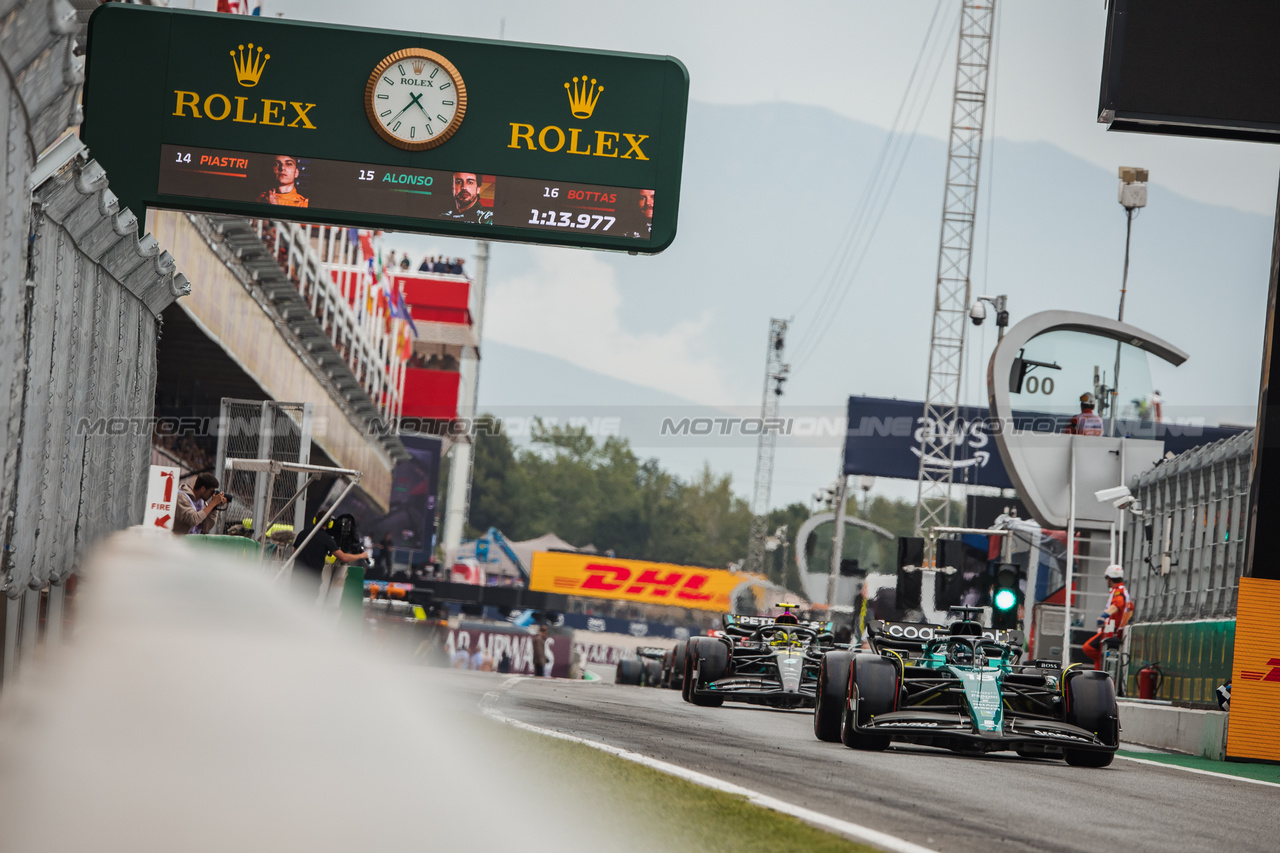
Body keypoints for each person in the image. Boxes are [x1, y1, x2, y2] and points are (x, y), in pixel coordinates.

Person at [290, 517, 370, 604]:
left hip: (296, 578)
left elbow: (294, 553)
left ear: (314, 520)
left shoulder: (302, 533)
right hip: (312, 580)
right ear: (329, 524)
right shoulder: (326, 538)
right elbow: (343, 557)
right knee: (308, 605)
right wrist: (361, 555)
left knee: (293, 603)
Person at [1083, 565, 1134, 670]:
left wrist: (1104, 616)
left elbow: (1118, 604)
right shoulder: (1122, 591)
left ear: (1109, 579)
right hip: (1113, 631)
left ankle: (1100, 672)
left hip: (1112, 632)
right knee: (1094, 651)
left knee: (1088, 648)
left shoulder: (1118, 591)